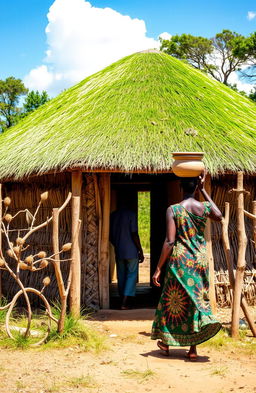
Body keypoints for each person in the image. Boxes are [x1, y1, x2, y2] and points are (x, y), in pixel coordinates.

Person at [151, 171, 222, 360]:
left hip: (180, 263)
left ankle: (165, 343)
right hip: (199, 262)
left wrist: (158, 268)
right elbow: (219, 215)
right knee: (195, 301)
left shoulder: (173, 210)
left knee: (172, 299)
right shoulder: (203, 207)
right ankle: (192, 349)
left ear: (180, 187)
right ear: (196, 187)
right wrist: (204, 190)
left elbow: (169, 241)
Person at [110, 199, 144, 310]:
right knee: (131, 275)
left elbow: (110, 236)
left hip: (119, 250)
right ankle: (125, 302)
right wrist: (140, 250)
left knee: (121, 275)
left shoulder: (113, 216)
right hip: (131, 251)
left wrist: (117, 244)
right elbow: (134, 233)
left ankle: (122, 299)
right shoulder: (131, 215)